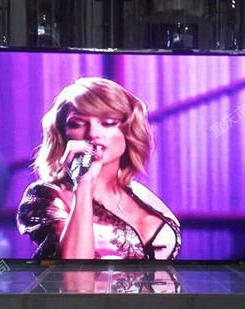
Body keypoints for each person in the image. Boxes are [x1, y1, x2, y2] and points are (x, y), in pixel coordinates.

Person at [17, 77, 181, 260]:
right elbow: (73, 272)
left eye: (108, 123)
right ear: (63, 134)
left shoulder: (140, 193)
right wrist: (84, 186)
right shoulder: (46, 195)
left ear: (128, 130)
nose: (93, 134)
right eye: (77, 124)